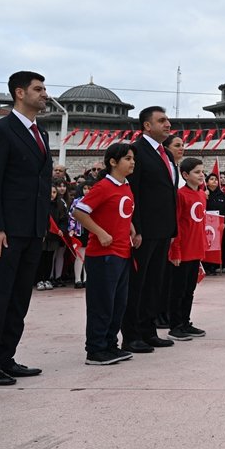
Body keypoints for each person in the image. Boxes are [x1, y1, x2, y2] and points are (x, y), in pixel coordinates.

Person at [0, 71, 52, 386]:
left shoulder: (41, 133)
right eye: (38, 88)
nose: (44, 93)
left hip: (32, 231)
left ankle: (6, 358)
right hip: (4, 233)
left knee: (19, 298)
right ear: (19, 93)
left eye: (44, 88)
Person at [73, 141, 139, 366]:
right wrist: (100, 233)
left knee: (118, 303)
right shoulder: (103, 186)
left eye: (133, 159)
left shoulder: (126, 186)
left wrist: (132, 230)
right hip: (103, 255)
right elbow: (79, 212)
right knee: (102, 303)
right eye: (128, 158)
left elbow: (123, 213)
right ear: (113, 162)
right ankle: (95, 349)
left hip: (122, 252)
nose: (132, 162)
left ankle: (111, 344)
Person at [121, 105, 178, 355]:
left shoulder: (164, 152)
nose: (168, 124)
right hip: (144, 232)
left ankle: (148, 330)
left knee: (155, 283)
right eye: (161, 120)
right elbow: (132, 193)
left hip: (163, 229)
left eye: (167, 120)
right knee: (138, 284)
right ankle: (131, 335)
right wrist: (137, 228)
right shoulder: (137, 152)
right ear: (146, 126)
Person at [167, 157, 208, 340]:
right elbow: (175, 225)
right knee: (178, 289)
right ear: (185, 175)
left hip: (195, 249)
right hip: (182, 251)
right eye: (197, 172)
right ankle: (175, 326)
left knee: (190, 289)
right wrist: (175, 250)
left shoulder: (201, 194)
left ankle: (185, 322)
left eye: (202, 171)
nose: (201, 175)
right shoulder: (180, 195)